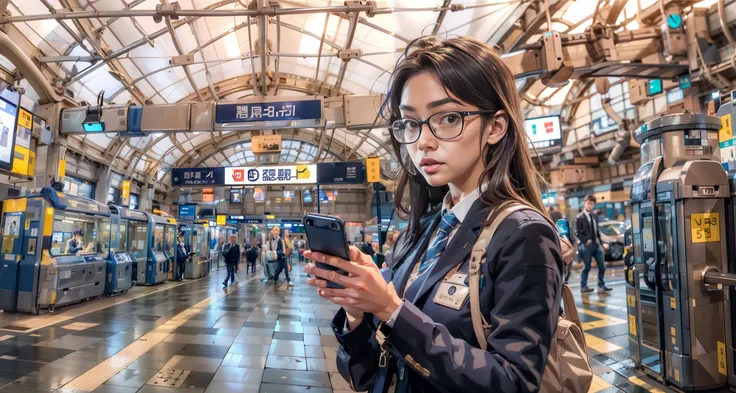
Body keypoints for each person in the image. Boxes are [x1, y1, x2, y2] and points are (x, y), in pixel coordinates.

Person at [303, 36, 566, 393]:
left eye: (448, 118)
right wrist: (358, 310)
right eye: (411, 123)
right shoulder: (424, 229)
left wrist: (393, 310)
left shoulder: (524, 234)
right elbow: (366, 375)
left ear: (495, 127)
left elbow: (514, 382)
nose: (422, 141)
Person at [575, 194, 612, 293]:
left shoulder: (594, 216)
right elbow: (577, 232)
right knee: (587, 267)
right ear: (584, 203)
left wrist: (601, 243)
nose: (590, 205)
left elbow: (597, 231)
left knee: (602, 266)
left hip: (596, 245)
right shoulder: (579, 217)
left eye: (592, 204)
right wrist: (585, 241)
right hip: (586, 246)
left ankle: (601, 285)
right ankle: (583, 286)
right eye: (588, 203)